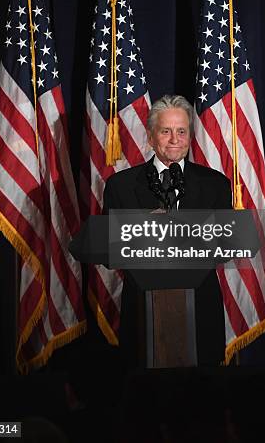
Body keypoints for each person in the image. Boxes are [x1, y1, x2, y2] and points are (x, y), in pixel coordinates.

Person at [103, 94, 232, 366]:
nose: (175, 139)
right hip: (142, 315)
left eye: (181, 131)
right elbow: (108, 251)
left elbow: (228, 246)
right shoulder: (121, 186)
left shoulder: (215, 184)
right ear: (151, 137)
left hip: (200, 312)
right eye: (166, 131)